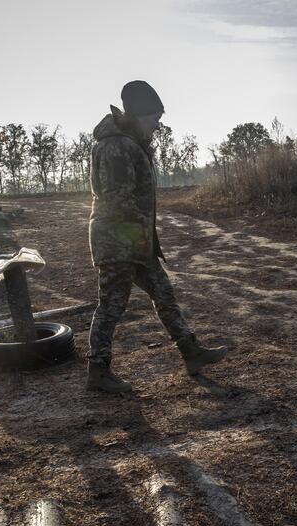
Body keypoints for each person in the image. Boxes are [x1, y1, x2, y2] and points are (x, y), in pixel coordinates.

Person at [86, 80, 227, 392]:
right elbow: (117, 199)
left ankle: (191, 353)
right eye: (154, 119)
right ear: (138, 114)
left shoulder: (130, 143)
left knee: (164, 293)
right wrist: (137, 233)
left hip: (134, 241)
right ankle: (97, 370)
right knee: (111, 304)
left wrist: (143, 239)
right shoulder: (116, 146)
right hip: (118, 240)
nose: (157, 125)